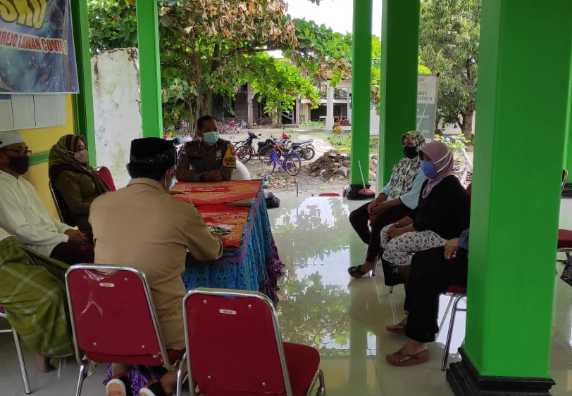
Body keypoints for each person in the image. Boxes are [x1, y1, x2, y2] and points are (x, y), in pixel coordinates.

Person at [89, 137, 223, 396]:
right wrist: (216, 241)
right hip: (162, 331)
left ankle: (119, 377)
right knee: (214, 321)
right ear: (169, 173)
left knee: (119, 292)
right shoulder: (179, 210)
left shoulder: (99, 205)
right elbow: (210, 252)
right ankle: (168, 382)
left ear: (131, 170)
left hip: (103, 325)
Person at [0, 131, 94, 265]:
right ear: (1, 156)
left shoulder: (24, 183)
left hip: (53, 238)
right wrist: (64, 237)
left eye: (26, 150)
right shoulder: (2, 187)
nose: (24, 155)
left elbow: (47, 218)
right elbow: (21, 232)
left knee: (93, 249)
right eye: (18, 151)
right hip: (36, 248)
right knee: (87, 257)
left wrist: (67, 230)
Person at [378, 141, 470, 270]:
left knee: (395, 245)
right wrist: (398, 224)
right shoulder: (430, 182)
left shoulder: (449, 185)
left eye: (429, 160)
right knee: (385, 230)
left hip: (446, 234)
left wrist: (401, 231)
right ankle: (398, 269)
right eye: (423, 159)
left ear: (441, 161)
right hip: (430, 228)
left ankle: (412, 272)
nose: (424, 163)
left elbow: (429, 220)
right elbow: (418, 211)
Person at [348, 131, 427, 278]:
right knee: (355, 216)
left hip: (405, 206)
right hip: (389, 201)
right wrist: (378, 201)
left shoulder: (423, 168)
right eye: (405, 143)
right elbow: (389, 185)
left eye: (410, 144)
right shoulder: (403, 163)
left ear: (419, 145)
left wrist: (384, 206)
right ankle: (376, 248)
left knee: (379, 220)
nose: (406, 146)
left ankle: (368, 263)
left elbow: (412, 197)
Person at [385, 231, 469, 366]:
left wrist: (462, 241)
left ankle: (417, 343)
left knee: (427, 273)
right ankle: (414, 319)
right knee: (420, 259)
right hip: (469, 248)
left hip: (486, 261)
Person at [0, 226, 73, 372]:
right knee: (50, 296)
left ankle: (79, 342)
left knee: (70, 278)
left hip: (10, 245)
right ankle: (45, 349)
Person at [49, 134, 109, 237]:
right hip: (88, 218)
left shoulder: (81, 167)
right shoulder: (65, 175)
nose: (83, 152)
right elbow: (77, 206)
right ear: (67, 152)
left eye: (83, 148)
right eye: (78, 149)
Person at [176, 115, 236, 182]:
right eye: (208, 130)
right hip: (197, 187)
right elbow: (180, 174)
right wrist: (203, 176)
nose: (213, 132)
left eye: (215, 130)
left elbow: (227, 174)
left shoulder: (227, 146)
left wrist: (216, 176)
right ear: (199, 133)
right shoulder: (189, 147)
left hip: (221, 187)